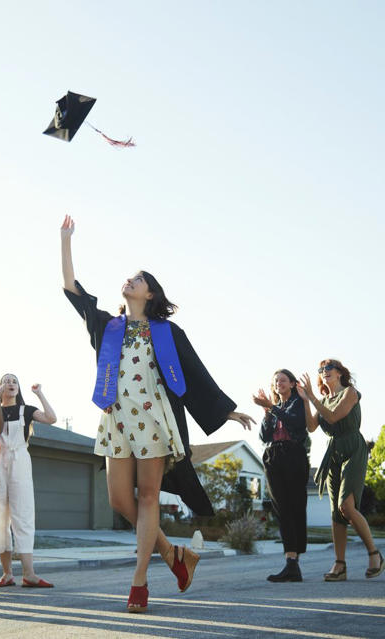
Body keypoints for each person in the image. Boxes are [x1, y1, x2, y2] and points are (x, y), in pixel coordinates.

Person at [60, 215, 255, 612]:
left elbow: (196, 372)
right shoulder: (107, 326)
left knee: (148, 497)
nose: (129, 281)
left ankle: (139, 582)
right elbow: (72, 289)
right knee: (119, 500)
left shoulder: (166, 331)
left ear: (150, 293)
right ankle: (174, 555)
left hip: (153, 419)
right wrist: (66, 241)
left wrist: (227, 410)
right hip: (115, 419)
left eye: (138, 279)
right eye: (129, 278)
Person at [297, 359, 385, 581]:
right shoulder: (324, 400)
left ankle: (375, 555)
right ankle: (340, 565)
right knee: (336, 514)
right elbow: (311, 426)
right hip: (333, 452)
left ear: (339, 373)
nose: (324, 372)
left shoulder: (350, 393)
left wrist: (313, 397)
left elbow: (334, 416)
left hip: (353, 448)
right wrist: (306, 400)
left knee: (346, 506)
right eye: (321, 370)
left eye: (328, 368)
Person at [0, 374, 57, 588]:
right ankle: (7, 574)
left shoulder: (27, 410)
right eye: (6, 381)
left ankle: (29, 573)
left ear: (19, 388)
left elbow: (51, 418)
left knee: (23, 514)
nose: (10, 384)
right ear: (0, 388)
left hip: (20, 460)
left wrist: (39, 393)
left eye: (14, 381)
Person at [255, 369, 316, 582]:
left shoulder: (298, 402)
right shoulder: (274, 408)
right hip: (274, 455)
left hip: (294, 454)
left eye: (282, 380)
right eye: (276, 381)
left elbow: (297, 423)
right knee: (281, 508)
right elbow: (264, 436)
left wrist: (271, 407)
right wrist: (266, 413)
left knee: (296, 506)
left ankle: (294, 560)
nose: (278, 383)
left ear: (291, 383)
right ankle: (291, 561)